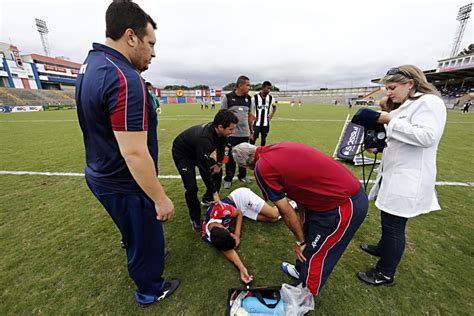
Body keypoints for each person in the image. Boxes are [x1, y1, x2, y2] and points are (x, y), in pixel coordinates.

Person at [75, 0, 179, 306]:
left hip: (99, 173)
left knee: (134, 233)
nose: (154, 52)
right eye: (150, 43)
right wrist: (160, 198)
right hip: (124, 181)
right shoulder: (125, 78)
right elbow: (134, 152)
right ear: (130, 36)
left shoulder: (90, 63)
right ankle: (150, 289)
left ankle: (136, 244)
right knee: (146, 238)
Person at [231, 142, 368, 297]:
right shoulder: (276, 147)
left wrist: (300, 241)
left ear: (246, 166)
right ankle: (300, 270)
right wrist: (303, 232)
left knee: (316, 255)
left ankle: (302, 300)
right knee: (309, 240)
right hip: (326, 200)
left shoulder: (261, 169)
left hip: (343, 204)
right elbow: (299, 193)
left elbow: (286, 210)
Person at [357, 65, 447, 286]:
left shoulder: (429, 102)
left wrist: (388, 120)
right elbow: (399, 138)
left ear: (410, 84)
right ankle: (383, 248)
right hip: (394, 173)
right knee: (387, 216)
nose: (389, 92)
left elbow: (427, 137)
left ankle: (385, 273)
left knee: (394, 225)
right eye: (387, 88)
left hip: (409, 177)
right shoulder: (404, 106)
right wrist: (378, 146)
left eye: (392, 87)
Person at [172, 109, 238, 231]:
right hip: (183, 154)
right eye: (230, 129)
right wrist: (215, 193)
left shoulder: (221, 133)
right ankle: (195, 217)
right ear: (220, 127)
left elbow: (221, 147)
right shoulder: (205, 139)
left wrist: (219, 164)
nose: (232, 132)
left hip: (199, 151)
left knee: (217, 172)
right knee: (191, 188)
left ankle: (207, 199)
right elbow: (203, 169)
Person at [201, 187, 280, 283]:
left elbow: (239, 213)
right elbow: (226, 250)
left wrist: (237, 235)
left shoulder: (221, 210)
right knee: (273, 220)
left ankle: (291, 204)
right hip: (241, 210)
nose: (228, 230)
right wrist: (242, 269)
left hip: (241, 198)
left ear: (221, 227)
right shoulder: (208, 236)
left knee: (274, 214)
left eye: (228, 231)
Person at [221, 75, 254, 189]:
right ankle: (228, 178)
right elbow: (223, 115)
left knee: (245, 156)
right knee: (229, 157)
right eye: (248, 85)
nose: (249, 87)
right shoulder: (228, 97)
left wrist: (251, 131)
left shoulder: (248, 99)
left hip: (244, 134)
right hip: (231, 135)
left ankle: (242, 176)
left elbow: (250, 116)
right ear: (240, 85)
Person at [250, 81, 277, 146]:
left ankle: (262, 154)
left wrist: (271, 115)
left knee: (264, 139)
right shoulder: (254, 98)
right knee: (253, 139)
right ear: (263, 88)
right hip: (256, 124)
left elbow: (274, 107)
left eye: (270, 89)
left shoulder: (271, 98)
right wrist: (252, 116)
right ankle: (250, 153)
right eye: (267, 88)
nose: (269, 90)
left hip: (266, 124)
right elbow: (249, 109)